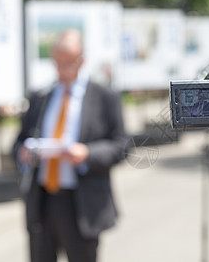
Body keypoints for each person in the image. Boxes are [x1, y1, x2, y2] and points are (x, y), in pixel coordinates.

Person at [13, 29, 128, 262]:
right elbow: (18, 142)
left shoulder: (104, 96)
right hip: (43, 201)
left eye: (68, 63)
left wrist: (87, 153)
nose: (61, 69)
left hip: (81, 202)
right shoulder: (41, 96)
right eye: (57, 62)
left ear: (81, 61)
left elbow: (121, 146)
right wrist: (23, 152)